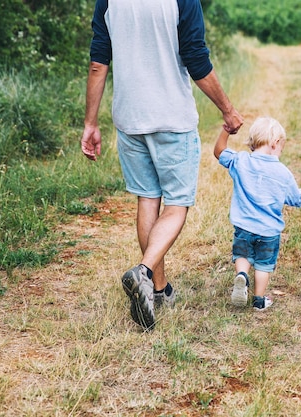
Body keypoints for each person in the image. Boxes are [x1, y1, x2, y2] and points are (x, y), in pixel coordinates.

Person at [80, 0, 243, 330]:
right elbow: (196, 59)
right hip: (172, 119)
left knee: (148, 199)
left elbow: (99, 63)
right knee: (177, 204)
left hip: (130, 119)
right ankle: (143, 271)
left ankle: (158, 289)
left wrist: (90, 123)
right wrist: (227, 109)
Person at [213, 117, 301, 311]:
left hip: (243, 226)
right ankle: (259, 300)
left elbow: (219, 152)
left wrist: (226, 131)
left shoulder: (240, 161)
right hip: (269, 231)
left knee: (242, 255)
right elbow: (295, 199)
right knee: (263, 265)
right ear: (275, 143)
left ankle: (242, 275)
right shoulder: (282, 172)